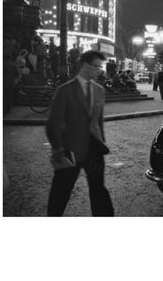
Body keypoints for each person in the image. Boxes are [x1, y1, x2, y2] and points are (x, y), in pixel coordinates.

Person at [45, 50, 114, 216]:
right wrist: (57, 150)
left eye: (100, 67)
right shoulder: (65, 90)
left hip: (95, 150)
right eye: (96, 66)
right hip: (70, 150)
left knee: (98, 190)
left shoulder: (99, 90)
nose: (99, 70)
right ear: (84, 65)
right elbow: (53, 123)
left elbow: (98, 121)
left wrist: (101, 142)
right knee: (61, 190)